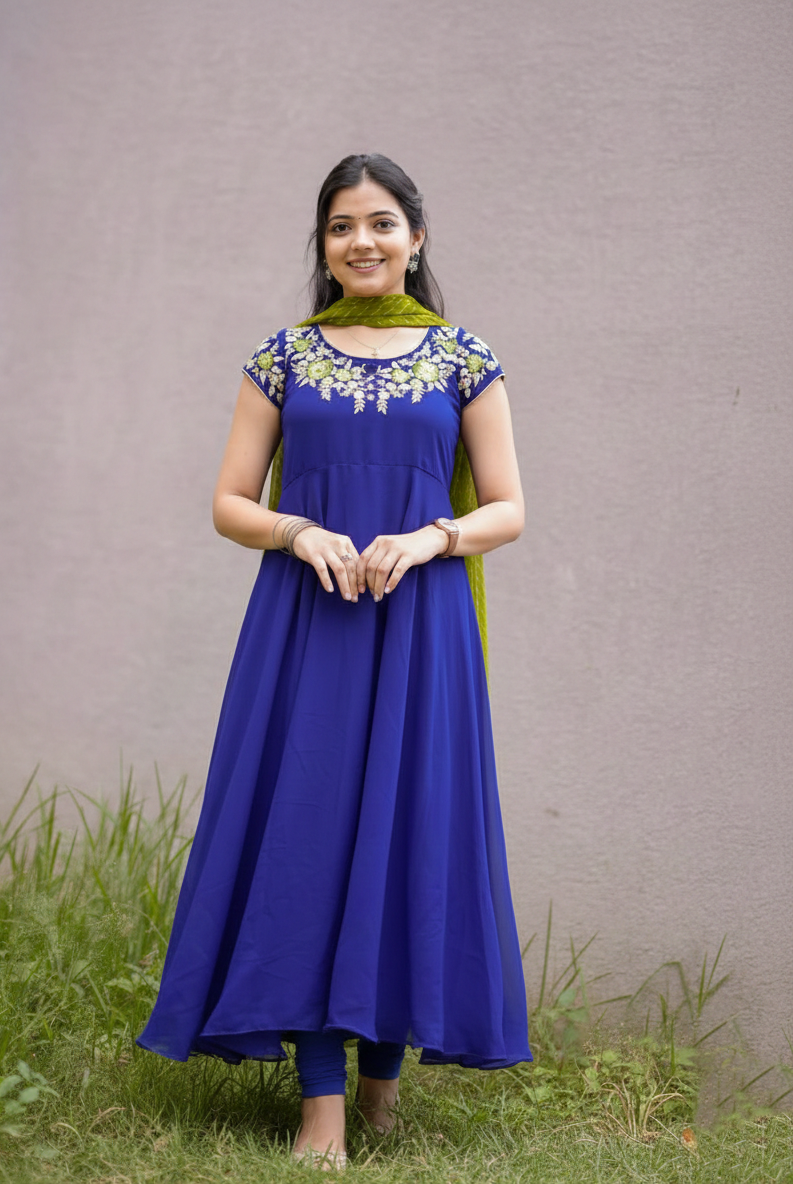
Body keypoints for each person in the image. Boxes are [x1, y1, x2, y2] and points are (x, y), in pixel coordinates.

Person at [136, 152, 532, 1171]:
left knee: (405, 832)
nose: (363, 240)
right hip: (306, 622)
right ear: (322, 244)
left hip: (422, 621)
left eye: (382, 222)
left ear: (416, 237)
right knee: (304, 838)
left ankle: (381, 1091)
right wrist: (297, 530)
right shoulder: (281, 357)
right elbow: (229, 500)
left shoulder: (464, 358)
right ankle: (321, 1106)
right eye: (342, 225)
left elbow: (507, 508)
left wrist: (432, 538)